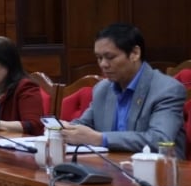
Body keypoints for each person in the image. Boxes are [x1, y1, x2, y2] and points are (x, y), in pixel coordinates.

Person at [64, 23, 186, 157]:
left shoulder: (166, 89)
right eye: (99, 58)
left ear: (135, 53)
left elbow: (160, 140)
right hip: (110, 169)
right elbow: (83, 125)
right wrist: (64, 129)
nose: (103, 64)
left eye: (110, 57)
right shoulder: (102, 89)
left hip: (158, 172)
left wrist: (100, 139)